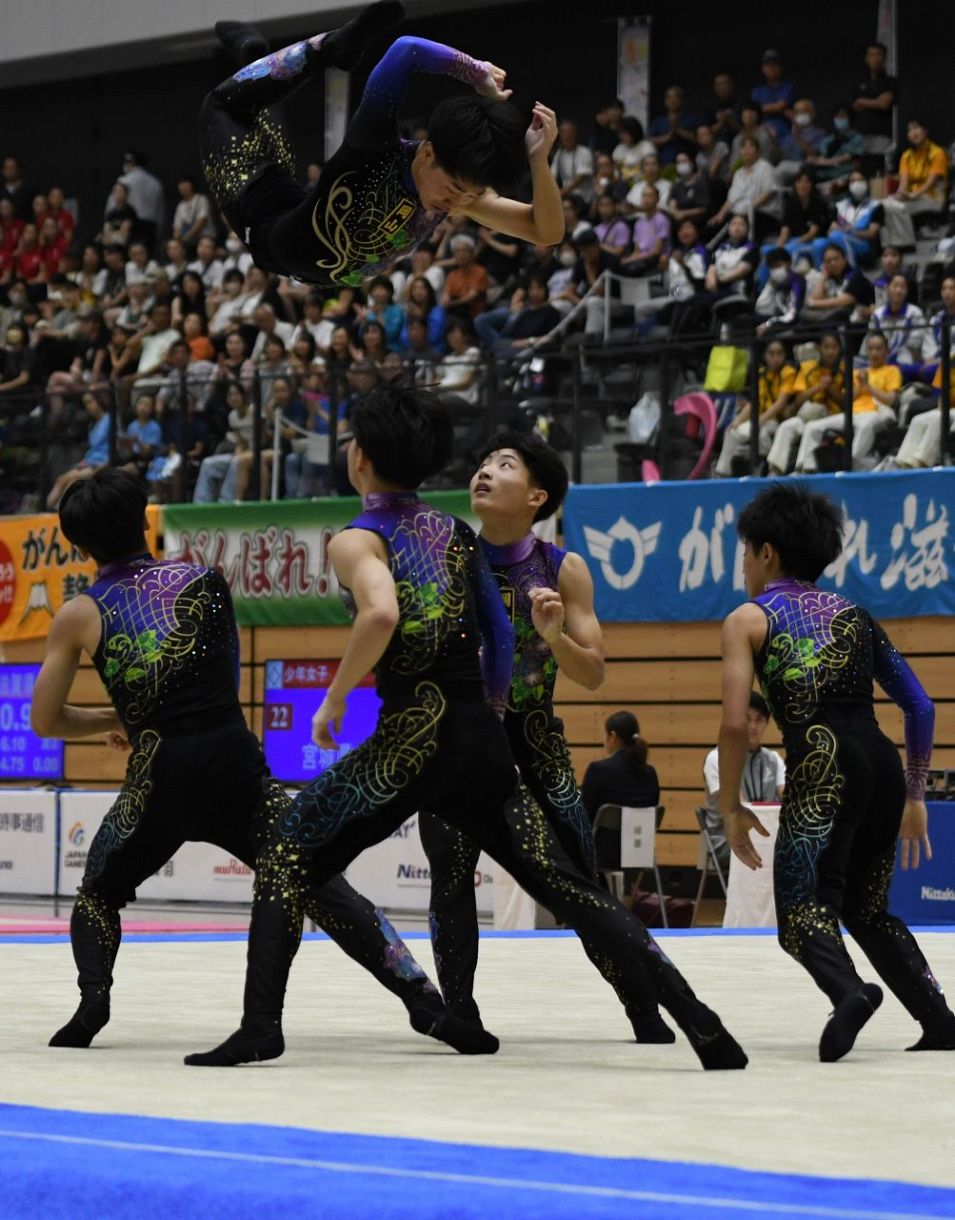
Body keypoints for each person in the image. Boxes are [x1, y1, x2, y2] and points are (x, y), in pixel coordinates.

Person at [185, 386, 747, 1070]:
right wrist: (490, 706)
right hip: (479, 736)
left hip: (412, 736)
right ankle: (700, 1021)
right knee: (567, 888)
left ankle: (260, 1026)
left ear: (358, 459)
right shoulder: (453, 534)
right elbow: (499, 637)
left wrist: (333, 701)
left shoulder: (359, 538)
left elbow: (381, 615)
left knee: (286, 856)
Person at [31, 469, 485, 1053]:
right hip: (234, 764)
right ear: (145, 517)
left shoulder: (80, 613)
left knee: (99, 890)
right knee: (318, 879)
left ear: (78, 545)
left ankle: (92, 1003)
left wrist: (113, 720)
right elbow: (202, 679)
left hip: (162, 772)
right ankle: (424, 1001)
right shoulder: (207, 580)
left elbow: (47, 722)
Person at [421, 431, 664, 1040]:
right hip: (458, 740)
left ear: (537, 495)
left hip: (534, 738)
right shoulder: (448, 562)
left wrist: (554, 635)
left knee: (578, 876)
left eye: (503, 465)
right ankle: (461, 1011)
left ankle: (644, 1006)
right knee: (451, 875)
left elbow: (594, 673)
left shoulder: (562, 567)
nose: (483, 472)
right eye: (481, 462)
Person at [718, 482, 955, 1060]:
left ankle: (849, 992)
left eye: (746, 552)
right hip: (881, 763)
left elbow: (732, 723)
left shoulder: (748, 619)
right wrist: (917, 795)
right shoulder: (854, 614)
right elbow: (920, 706)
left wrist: (728, 805)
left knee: (798, 913)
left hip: (823, 766)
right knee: (868, 910)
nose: (744, 564)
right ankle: (940, 1021)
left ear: (767, 552)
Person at [200, 4, 562, 289]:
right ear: (428, 152)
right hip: (260, 215)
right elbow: (406, 51)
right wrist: (474, 70)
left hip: (291, 214)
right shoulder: (375, 148)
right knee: (223, 106)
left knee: (256, 103)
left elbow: (545, 232)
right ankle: (331, 48)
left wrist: (538, 162)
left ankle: (255, 55)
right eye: (453, 189)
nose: (456, 204)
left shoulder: (462, 197)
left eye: (468, 195)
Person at [793, 329, 900, 473]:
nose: (874, 353)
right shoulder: (857, 373)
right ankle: (804, 469)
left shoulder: (892, 370)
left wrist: (869, 387)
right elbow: (848, 400)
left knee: (866, 424)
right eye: (870, 349)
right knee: (813, 426)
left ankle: (850, 465)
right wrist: (860, 385)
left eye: (878, 349)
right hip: (853, 412)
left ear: (887, 351)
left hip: (876, 412)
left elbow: (891, 400)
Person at [702, 692, 785, 872]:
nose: (753, 726)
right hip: (726, 841)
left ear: (767, 722)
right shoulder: (717, 758)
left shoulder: (774, 760)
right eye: (747, 719)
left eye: (759, 719)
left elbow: (790, 800)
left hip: (766, 836)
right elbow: (740, 806)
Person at [766, 331, 844, 475]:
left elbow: (847, 404)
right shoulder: (808, 368)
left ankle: (803, 469)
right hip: (807, 417)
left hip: (832, 418)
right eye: (826, 347)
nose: (830, 351)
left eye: (834, 347)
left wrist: (830, 389)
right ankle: (774, 470)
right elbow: (798, 400)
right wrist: (817, 387)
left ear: (839, 349)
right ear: (820, 349)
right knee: (787, 426)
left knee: (814, 410)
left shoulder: (845, 369)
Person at [715, 338, 796, 476]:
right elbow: (754, 402)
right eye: (771, 354)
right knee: (732, 432)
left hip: (779, 421)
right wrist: (738, 421)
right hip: (762, 420)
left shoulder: (789, 373)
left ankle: (762, 468)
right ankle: (722, 474)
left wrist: (760, 420)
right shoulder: (762, 373)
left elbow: (781, 403)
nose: (776, 358)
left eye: (779, 354)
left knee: (762, 433)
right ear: (765, 356)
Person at [882, 119, 948, 250]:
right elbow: (904, 181)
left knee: (899, 208)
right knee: (885, 204)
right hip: (912, 197)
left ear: (925, 131)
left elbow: (931, 181)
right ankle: (889, 246)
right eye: (910, 130)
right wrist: (900, 194)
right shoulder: (906, 156)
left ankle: (907, 244)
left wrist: (913, 195)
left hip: (933, 198)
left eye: (916, 128)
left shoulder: (937, 152)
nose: (913, 132)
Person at [581, 711, 660, 819]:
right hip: (642, 836)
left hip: (605, 836)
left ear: (613, 736)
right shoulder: (650, 773)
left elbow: (584, 816)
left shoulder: (598, 770)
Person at [851, 42, 898, 158]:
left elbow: (883, 104)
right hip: (860, 134)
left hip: (881, 135)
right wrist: (875, 101)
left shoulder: (891, 82)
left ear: (884, 58)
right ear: (866, 58)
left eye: (878, 55)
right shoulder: (857, 83)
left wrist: (862, 101)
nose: (874, 58)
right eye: (871, 55)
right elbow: (854, 105)